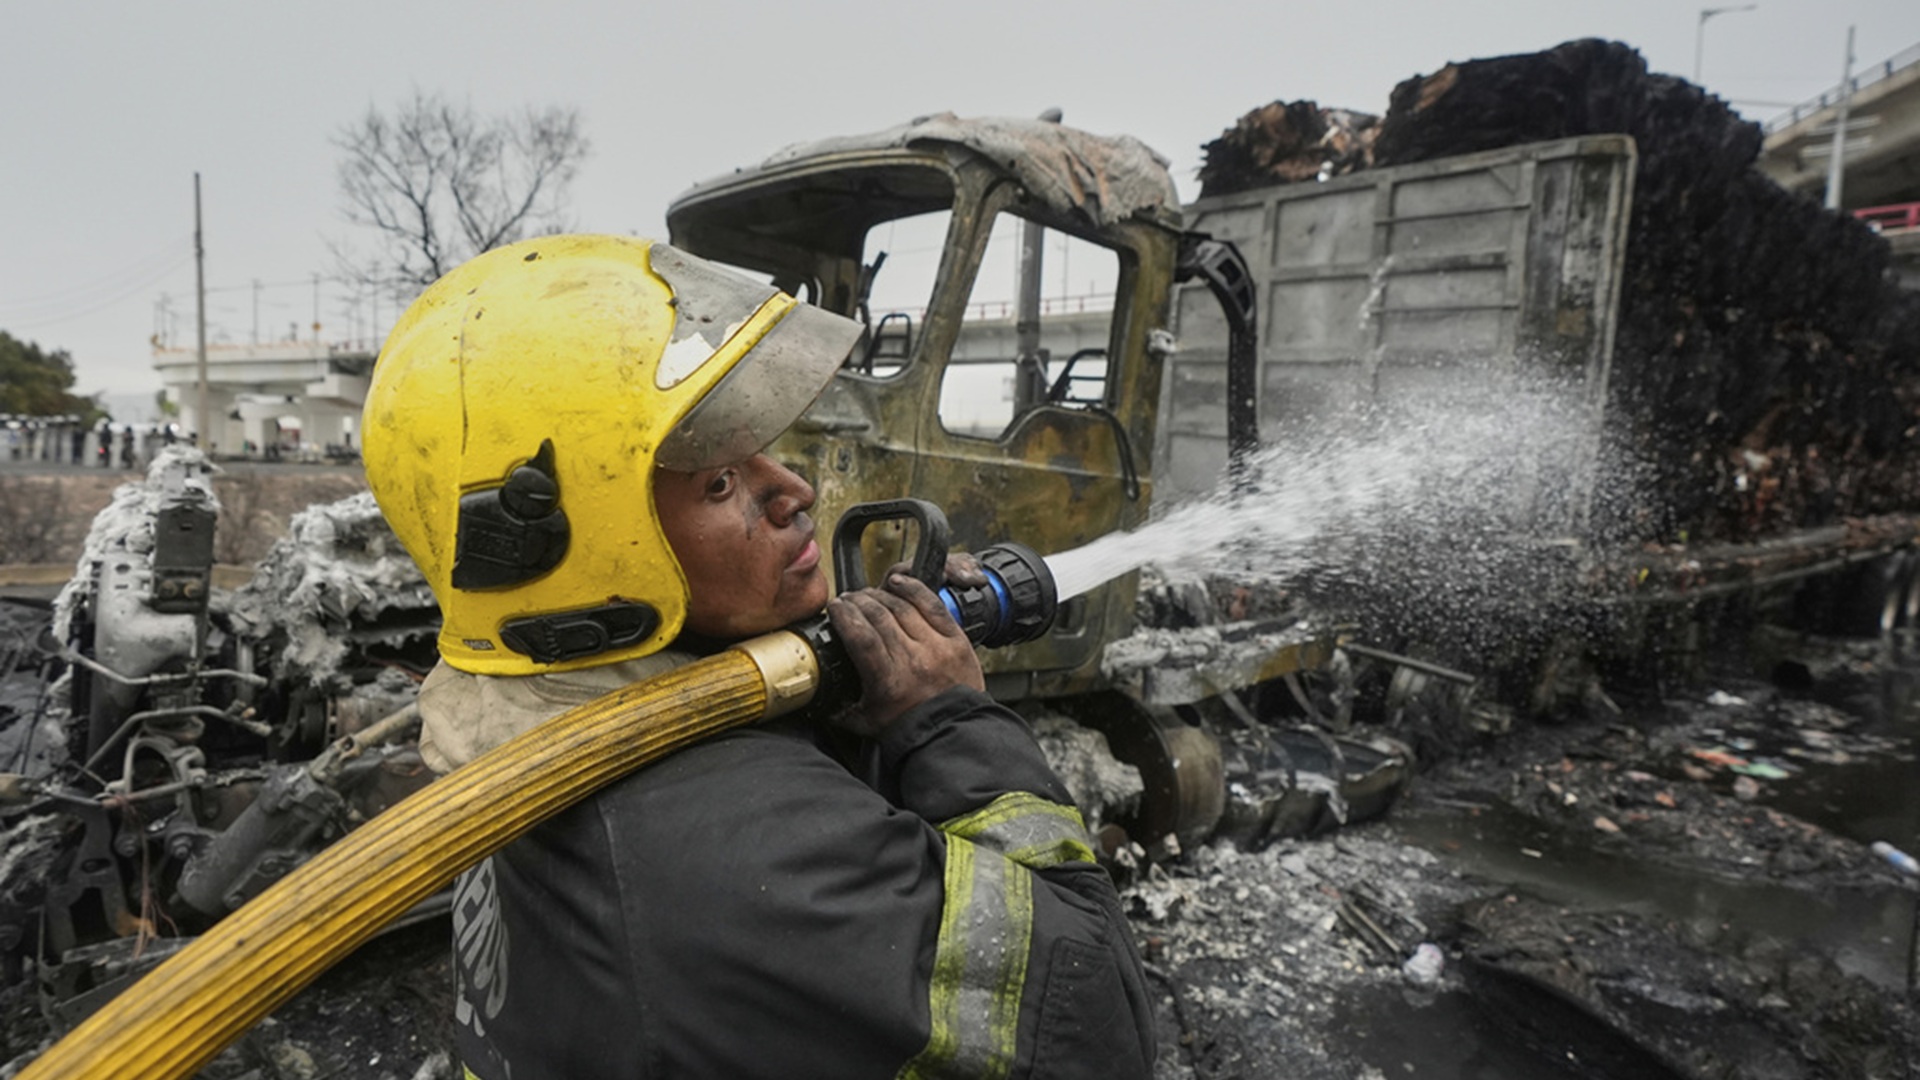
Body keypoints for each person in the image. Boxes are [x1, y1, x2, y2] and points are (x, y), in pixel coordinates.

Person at [361, 235, 1155, 1079]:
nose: (794, 490)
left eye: (754, 457)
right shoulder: (745, 844)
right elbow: (1092, 1022)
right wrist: (949, 725)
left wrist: (851, 718)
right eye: (719, 484)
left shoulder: (531, 736)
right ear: (598, 553)